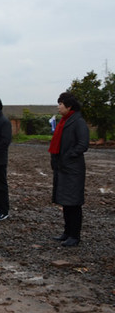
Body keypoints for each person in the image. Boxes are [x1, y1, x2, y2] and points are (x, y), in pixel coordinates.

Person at [49, 92, 89, 247]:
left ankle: (75, 235)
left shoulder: (78, 121)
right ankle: (67, 231)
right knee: (65, 202)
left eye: (60, 104)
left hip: (73, 169)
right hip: (63, 168)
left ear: (69, 106)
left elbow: (83, 144)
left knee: (73, 203)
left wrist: (68, 156)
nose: (58, 107)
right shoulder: (64, 121)